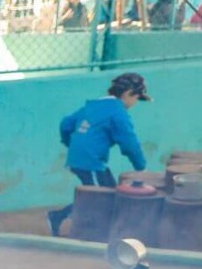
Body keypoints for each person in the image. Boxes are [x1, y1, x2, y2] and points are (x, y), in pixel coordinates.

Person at [46, 73, 150, 236]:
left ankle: (61, 217)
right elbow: (129, 142)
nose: (135, 103)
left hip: (85, 158)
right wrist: (141, 167)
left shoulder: (93, 106)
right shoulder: (118, 111)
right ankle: (61, 218)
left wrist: (71, 144)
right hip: (90, 161)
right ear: (128, 93)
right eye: (136, 98)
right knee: (99, 199)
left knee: (110, 194)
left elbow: (66, 124)